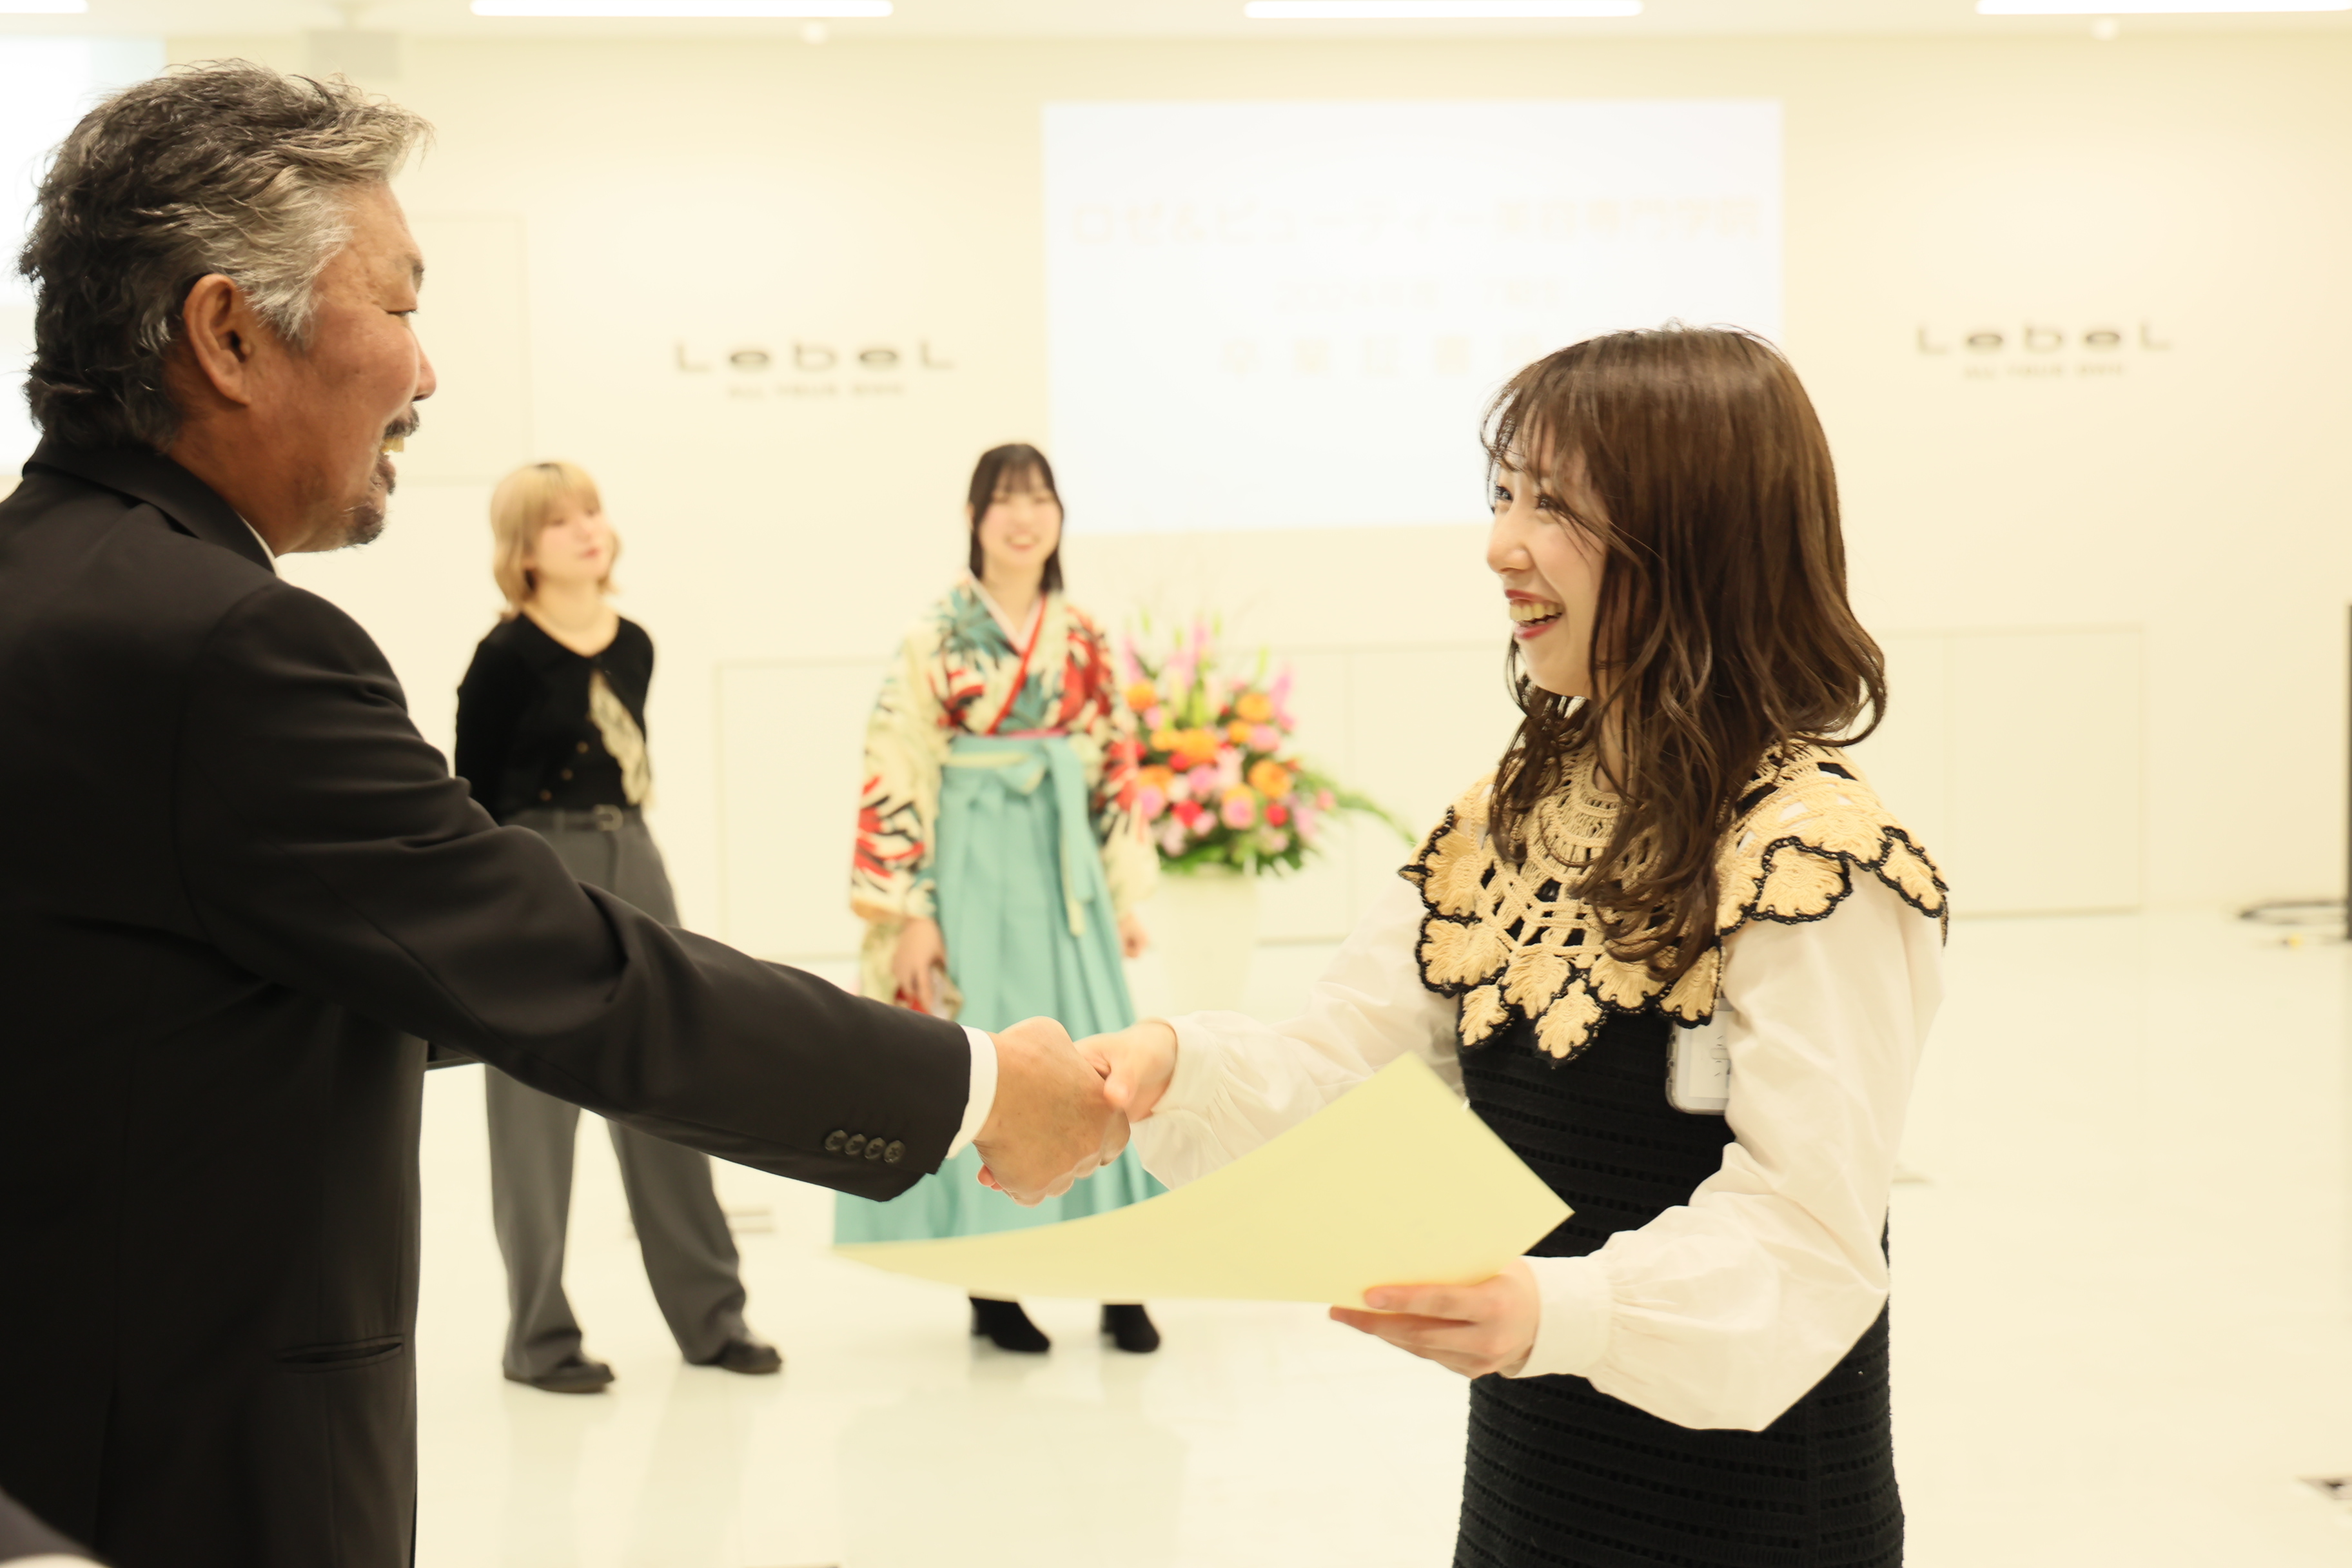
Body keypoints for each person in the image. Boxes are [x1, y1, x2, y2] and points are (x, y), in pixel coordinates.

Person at [0, 63, 1119, 1568]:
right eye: (400, 304)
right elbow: (574, 974)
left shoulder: (43, 586)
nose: (427, 372)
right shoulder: (227, 648)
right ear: (228, 333)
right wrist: (975, 1087)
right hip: (188, 1468)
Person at [1085, 328, 1946, 1567]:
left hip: (1748, 1523)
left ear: (1697, 533)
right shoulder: (1514, 815)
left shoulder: (1813, 858)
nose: (1501, 546)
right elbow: (1350, 1068)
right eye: (1505, 495)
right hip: (1533, 1504)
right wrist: (1176, 1068)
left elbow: (1809, 1239)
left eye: (1556, 505)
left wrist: (1557, 1308)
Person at [453, 460, 779, 1392]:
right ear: (524, 549)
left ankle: (714, 1318)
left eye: (591, 511)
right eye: (561, 521)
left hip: (635, 854)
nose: (587, 529)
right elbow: (472, 794)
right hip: (536, 869)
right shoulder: (503, 657)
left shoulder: (634, 643)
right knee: (533, 1108)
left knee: (671, 1075)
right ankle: (539, 1338)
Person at [839, 444, 1165, 1355]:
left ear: (1059, 516)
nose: (1023, 518)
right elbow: (896, 763)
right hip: (973, 865)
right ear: (974, 518)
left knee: (1100, 1057)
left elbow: (1112, 762)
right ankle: (991, 1281)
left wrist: (1121, 891)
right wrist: (912, 912)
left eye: (1039, 500)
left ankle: (1120, 1276)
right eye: (1004, 501)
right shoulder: (935, 636)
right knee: (984, 1061)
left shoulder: (1084, 635)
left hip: (1064, 872)